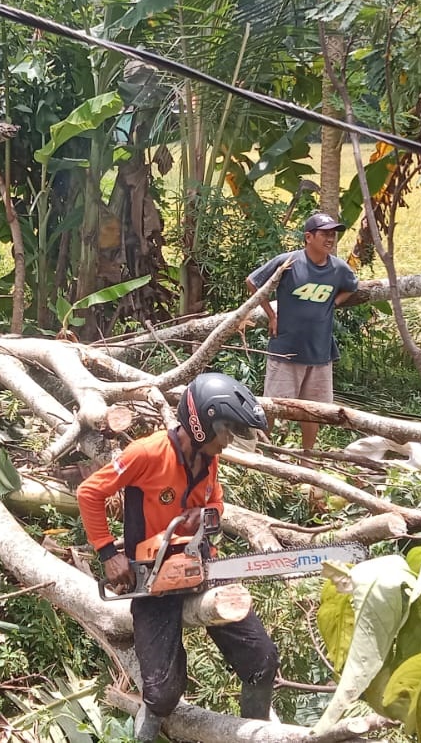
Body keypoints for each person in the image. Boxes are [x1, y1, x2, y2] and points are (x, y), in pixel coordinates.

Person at [77, 372, 280, 741]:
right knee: (162, 691)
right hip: (154, 580)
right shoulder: (147, 452)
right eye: (227, 429)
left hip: (200, 566)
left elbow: (214, 501)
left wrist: (206, 516)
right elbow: (90, 492)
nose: (230, 439)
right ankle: (147, 729)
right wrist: (107, 552)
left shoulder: (209, 458)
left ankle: (257, 731)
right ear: (204, 423)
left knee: (261, 660)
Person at [246, 212, 360, 452]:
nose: (330, 239)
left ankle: (307, 456)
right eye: (325, 234)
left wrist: (334, 303)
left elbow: (352, 287)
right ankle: (263, 454)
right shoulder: (288, 262)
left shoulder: (339, 268)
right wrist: (271, 314)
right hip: (285, 348)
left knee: (314, 410)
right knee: (272, 405)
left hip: (319, 351)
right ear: (308, 237)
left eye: (333, 234)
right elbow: (253, 282)